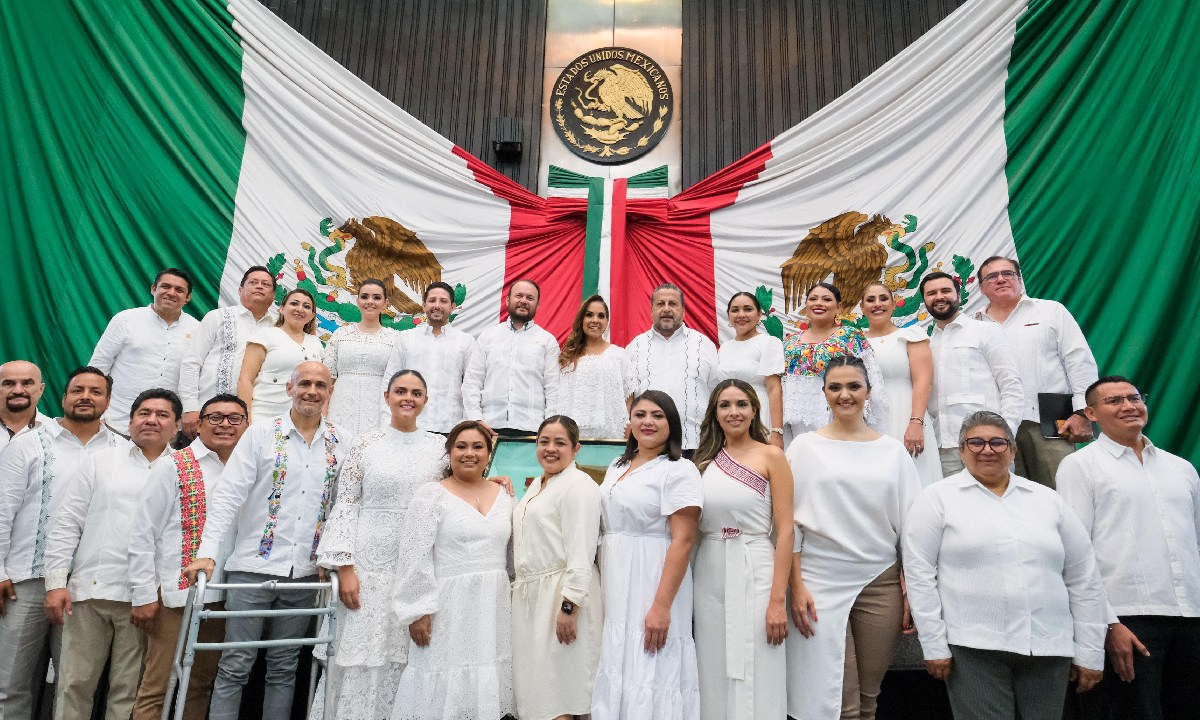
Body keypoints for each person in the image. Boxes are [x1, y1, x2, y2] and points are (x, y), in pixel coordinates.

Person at [903, 411, 1107, 720]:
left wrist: (1091, 650)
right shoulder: (936, 500)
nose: (987, 450)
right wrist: (933, 645)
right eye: (975, 442)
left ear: (1013, 450)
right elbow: (919, 577)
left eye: (998, 442)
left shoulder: (1047, 500)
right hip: (973, 648)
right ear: (960, 450)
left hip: (1048, 646)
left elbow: (1083, 577)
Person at [185, 361, 353, 720]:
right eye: (304, 383)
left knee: (285, 665)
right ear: (289, 389)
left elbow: (346, 504)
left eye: (320, 385)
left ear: (330, 392)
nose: (312, 391)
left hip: (307, 573)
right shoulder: (262, 432)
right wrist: (207, 553)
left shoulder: (343, 441)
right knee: (235, 663)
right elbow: (229, 495)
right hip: (252, 568)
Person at [785, 355, 921, 720]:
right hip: (818, 582)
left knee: (868, 697)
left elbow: (912, 527)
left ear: (869, 392)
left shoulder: (893, 451)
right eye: (835, 387)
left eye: (853, 386)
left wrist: (911, 587)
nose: (845, 395)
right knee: (836, 701)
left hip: (880, 582)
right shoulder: (802, 449)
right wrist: (795, 586)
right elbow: (787, 525)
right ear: (824, 393)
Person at [1056, 376, 1200, 720]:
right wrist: (1107, 624)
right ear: (1091, 413)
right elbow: (1075, 553)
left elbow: (1193, 542)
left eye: (1134, 398)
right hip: (1128, 620)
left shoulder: (1181, 468)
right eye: (1114, 401)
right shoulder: (1079, 466)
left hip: (1190, 616)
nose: (1128, 406)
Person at [314, 370, 447, 720]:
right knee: (360, 653)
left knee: (406, 653)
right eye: (400, 391)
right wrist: (345, 567)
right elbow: (345, 503)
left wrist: (496, 479)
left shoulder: (439, 448)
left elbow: (460, 488)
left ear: (426, 400)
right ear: (386, 396)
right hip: (367, 564)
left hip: (416, 564)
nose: (408, 398)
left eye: (416, 393)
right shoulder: (365, 443)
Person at [42, 389, 181, 720]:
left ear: (177, 426)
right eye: (143, 412)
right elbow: (66, 524)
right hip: (90, 593)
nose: (151, 420)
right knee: (74, 686)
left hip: (146, 600)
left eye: (162, 415)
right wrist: (56, 583)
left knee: (127, 692)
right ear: (130, 421)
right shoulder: (101, 461)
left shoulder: (184, 469)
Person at [0, 367, 127, 720]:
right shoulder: (29, 443)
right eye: (78, 390)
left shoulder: (122, 450)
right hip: (24, 580)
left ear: (108, 401)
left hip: (83, 588)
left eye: (96, 391)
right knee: (9, 684)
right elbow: (2, 510)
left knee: (73, 685)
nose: (86, 397)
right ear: (63, 396)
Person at [127, 394, 250, 720]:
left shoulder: (252, 470)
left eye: (235, 418)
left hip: (226, 596)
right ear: (198, 424)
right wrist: (142, 594)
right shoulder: (173, 465)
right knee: (156, 686)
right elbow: (143, 533)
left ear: (247, 425)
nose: (225, 424)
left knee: (201, 684)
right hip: (175, 598)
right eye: (216, 417)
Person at [391, 421, 516, 719]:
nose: (469, 453)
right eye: (461, 446)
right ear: (449, 453)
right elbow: (414, 556)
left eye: (477, 447)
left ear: (489, 452)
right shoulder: (431, 494)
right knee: (444, 681)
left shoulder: (506, 496)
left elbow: (512, 557)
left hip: (493, 606)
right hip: (448, 607)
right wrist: (418, 610)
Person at [592, 390, 703, 719]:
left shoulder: (680, 470)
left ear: (672, 424)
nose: (648, 422)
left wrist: (661, 606)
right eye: (640, 414)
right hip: (615, 574)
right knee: (618, 658)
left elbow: (683, 541)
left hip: (652, 574)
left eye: (658, 415)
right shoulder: (617, 464)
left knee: (651, 660)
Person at [691, 380, 793, 720]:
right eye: (724, 405)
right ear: (715, 414)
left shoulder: (772, 456)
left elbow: (787, 529)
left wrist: (778, 600)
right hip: (710, 569)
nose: (733, 412)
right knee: (713, 659)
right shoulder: (703, 461)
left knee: (757, 660)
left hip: (755, 565)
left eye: (741, 404)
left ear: (754, 410)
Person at [974, 256, 1098, 488]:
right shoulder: (974, 325)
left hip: (1048, 422)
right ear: (981, 288)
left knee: (1063, 493)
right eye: (992, 276)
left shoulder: (1050, 311)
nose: (1001, 279)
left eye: (1008, 274)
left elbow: (1079, 361)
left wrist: (1082, 413)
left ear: (1020, 280)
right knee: (1009, 499)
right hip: (995, 426)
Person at [511, 415, 603, 720]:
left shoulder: (579, 485)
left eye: (560, 443)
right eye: (544, 441)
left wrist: (569, 606)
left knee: (563, 695)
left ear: (575, 448)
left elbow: (582, 550)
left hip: (562, 596)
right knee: (541, 693)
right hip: (533, 599)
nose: (550, 449)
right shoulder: (540, 484)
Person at [920, 272, 1023, 476]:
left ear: (958, 295)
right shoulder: (925, 343)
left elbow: (1011, 384)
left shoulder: (986, 331)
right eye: (932, 293)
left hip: (988, 444)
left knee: (996, 503)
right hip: (945, 447)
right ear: (924, 301)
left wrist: (1005, 433)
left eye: (946, 291)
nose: (939, 297)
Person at [89, 268, 200, 434]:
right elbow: (98, 368)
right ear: (153, 289)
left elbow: (197, 377)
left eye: (179, 290)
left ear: (188, 297)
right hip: (117, 422)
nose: (171, 293)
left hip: (167, 431)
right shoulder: (126, 320)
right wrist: (98, 414)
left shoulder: (198, 329)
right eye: (165, 287)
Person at [780, 282, 887, 445]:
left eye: (826, 299)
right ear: (806, 305)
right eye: (813, 299)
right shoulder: (789, 343)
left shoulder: (851, 336)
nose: (818, 303)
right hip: (800, 426)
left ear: (838, 307)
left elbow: (871, 381)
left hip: (844, 417)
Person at [179, 266, 278, 437]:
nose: (259, 286)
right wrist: (189, 408)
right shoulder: (217, 317)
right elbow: (192, 362)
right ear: (240, 290)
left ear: (274, 296)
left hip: (256, 420)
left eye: (266, 284)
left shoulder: (278, 328)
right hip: (208, 411)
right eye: (253, 282)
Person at [860, 282, 941, 486]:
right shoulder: (855, 340)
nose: (877, 304)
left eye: (883, 298)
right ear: (861, 307)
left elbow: (923, 382)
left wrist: (915, 423)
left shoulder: (911, 336)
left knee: (914, 479)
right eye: (870, 300)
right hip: (868, 423)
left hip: (907, 416)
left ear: (894, 304)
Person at [624, 284, 719, 453]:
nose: (666, 309)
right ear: (651, 309)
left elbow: (717, 393)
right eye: (660, 304)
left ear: (683, 310)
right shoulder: (635, 347)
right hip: (647, 445)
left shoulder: (704, 345)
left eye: (673, 304)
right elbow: (627, 396)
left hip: (696, 442)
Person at [462, 279, 559, 434]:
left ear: (538, 305)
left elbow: (553, 388)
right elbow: (472, 381)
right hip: (489, 427)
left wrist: (549, 427)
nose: (523, 301)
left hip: (533, 428)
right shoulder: (488, 337)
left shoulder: (547, 341)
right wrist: (476, 419)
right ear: (508, 300)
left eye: (530, 298)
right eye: (519, 296)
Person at [380, 282, 478, 433]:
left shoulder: (466, 342)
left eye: (443, 301)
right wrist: (386, 423)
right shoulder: (406, 338)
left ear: (452, 307)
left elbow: (471, 385)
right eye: (432, 300)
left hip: (450, 428)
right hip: (410, 426)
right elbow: (389, 381)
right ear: (424, 305)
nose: (437, 305)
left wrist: (469, 424)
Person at [324, 279, 402, 436]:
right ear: (357, 300)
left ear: (385, 303)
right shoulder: (341, 334)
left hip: (379, 409)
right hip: (340, 407)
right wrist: (322, 415)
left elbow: (399, 383)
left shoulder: (395, 338)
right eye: (365, 297)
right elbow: (326, 380)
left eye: (376, 297)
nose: (370, 302)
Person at [238, 288, 324, 422]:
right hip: (264, 416)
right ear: (282, 309)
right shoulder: (265, 335)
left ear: (312, 315)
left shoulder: (316, 343)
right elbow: (245, 379)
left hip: (303, 421)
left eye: (306, 306)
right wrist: (245, 418)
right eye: (294, 303)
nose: (300, 309)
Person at [552, 295, 632, 439]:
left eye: (601, 316)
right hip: (571, 437)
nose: (595, 320)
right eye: (589, 315)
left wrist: (626, 432)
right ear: (581, 319)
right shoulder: (567, 357)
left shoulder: (619, 355)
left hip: (610, 436)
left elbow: (629, 398)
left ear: (607, 321)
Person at [717, 292, 785, 448]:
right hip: (730, 417)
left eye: (747, 309)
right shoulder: (725, 348)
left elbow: (774, 388)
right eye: (735, 310)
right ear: (728, 315)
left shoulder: (768, 342)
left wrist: (777, 431)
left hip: (759, 414)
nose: (741, 315)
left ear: (759, 314)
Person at [0, 360, 50, 453]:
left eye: (27, 383)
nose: (18, 391)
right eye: (9, 384)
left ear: (41, 389)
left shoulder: (56, 433)